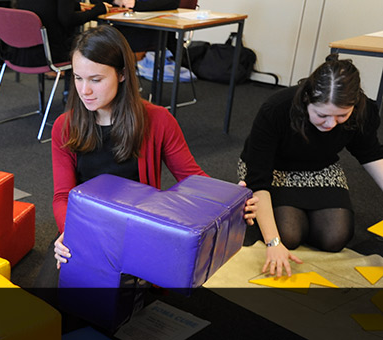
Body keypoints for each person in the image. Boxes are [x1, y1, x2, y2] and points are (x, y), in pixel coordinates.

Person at [49, 25, 257, 275]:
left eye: (96, 79)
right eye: (78, 78)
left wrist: (228, 200)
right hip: (87, 227)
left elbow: (191, 177)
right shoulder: (65, 126)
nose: (85, 91)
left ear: (122, 74)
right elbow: (63, 196)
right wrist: (69, 233)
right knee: (54, 298)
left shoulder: (158, 120)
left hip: (138, 230)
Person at [239, 54, 383, 278]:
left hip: (321, 168)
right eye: (322, 115)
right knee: (289, 235)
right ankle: (284, 215)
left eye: (342, 116)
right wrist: (273, 243)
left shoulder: (363, 110)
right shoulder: (276, 109)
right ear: (307, 100)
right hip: (274, 169)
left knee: (335, 237)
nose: (331, 124)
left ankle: (294, 212)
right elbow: (259, 178)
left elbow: (371, 154)